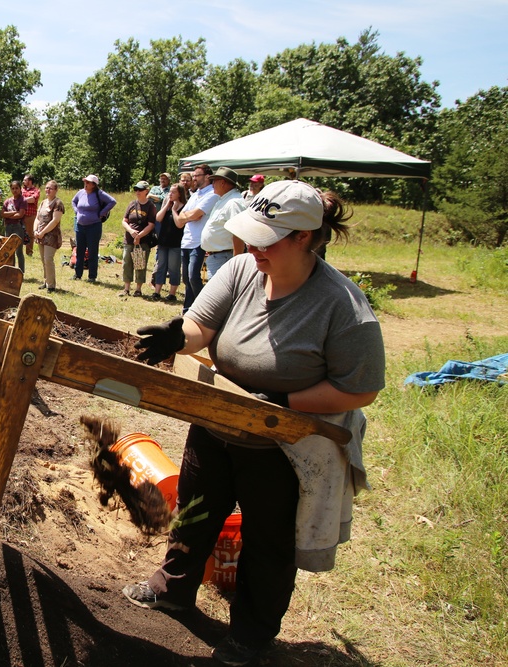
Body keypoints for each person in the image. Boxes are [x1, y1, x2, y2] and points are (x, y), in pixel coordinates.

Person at [124, 180, 386, 666]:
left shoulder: (343, 307)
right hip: (218, 421)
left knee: (268, 541)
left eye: (267, 239)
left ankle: (251, 634)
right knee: (197, 511)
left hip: (282, 445)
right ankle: (172, 590)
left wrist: (284, 398)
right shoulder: (243, 269)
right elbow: (202, 325)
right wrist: (175, 338)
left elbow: (361, 388)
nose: (252, 247)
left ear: (304, 238)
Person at [176, 164, 218, 312]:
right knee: (186, 278)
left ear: (207, 177)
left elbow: (195, 214)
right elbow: (181, 218)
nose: (194, 178)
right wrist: (188, 216)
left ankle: (202, 308)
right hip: (186, 240)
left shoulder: (212, 193)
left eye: (197, 176)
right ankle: (187, 309)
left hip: (199, 242)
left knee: (194, 276)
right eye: (193, 176)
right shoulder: (195, 195)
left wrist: (188, 216)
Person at [202, 167, 247, 278]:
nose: (212, 184)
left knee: (221, 293)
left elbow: (238, 233)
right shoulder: (225, 200)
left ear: (222, 182)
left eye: (214, 181)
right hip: (219, 256)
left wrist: (236, 261)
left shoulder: (233, 203)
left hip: (224, 257)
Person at [71, 174, 117, 283]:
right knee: (80, 250)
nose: (85, 184)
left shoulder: (99, 194)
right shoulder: (81, 192)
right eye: (85, 181)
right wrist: (76, 211)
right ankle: (78, 274)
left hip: (93, 227)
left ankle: (92, 276)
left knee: (92, 251)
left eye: (88, 182)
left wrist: (102, 212)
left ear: (94, 185)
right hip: (80, 226)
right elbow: (73, 201)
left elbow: (112, 201)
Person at [119, 180, 157, 297]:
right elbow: (124, 221)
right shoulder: (131, 204)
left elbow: (151, 224)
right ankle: (126, 289)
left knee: (139, 264)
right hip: (129, 239)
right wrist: (131, 231)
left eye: (140, 190)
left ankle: (138, 289)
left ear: (146, 191)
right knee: (127, 263)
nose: (137, 192)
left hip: (142, 241)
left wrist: (139, 236)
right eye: (136, 189)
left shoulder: (150, 206)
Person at [151, 182, 187, 302]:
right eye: (170, 192)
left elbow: (179, 224)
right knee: (160, 266)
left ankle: (172, 294)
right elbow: (158, 218)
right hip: (163, 242)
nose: (170, 194)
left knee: (173, 268)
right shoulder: (167, 205)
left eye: (173, 192)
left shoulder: (184, 207)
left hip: (176, 243)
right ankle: (157, 292)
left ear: (180, 193)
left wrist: (175, 210)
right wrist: (167, 206)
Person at [34, 180, 64, 292]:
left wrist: (43, 232)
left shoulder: (58, 203)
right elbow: (37, 218)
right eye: (46, 188)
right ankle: (46, 281)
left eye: (50, 188)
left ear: (55, 190)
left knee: (48, 259)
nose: (48, 190)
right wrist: (35, 230)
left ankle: (51, 285)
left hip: (51, 236)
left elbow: (55, 221)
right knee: (43, 259)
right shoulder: (43, 202)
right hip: (40, 235)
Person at [0, 180, 27, 272]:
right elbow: (2, 213)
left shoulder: (22, 200)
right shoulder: (8, 201)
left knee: (18, 251)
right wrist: (14, 212)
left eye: (16, 188)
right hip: (8, 226)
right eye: (13, 188)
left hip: (17, 226)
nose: (15, 190)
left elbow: (20, 215)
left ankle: (21, 271)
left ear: (20, 189)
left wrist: (9, 215)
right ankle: (11, 270)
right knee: (9, 250)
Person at [21, 174, 40, 256]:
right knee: (19, 232)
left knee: (29, 234)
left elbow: (32, 200)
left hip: (30, 215)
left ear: (30, 181)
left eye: (25, 180)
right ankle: (19, 251)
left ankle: (29, 252)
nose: (23, 181)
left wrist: (22, 200)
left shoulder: (36, 190)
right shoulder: (22, 189)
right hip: (21, 214)